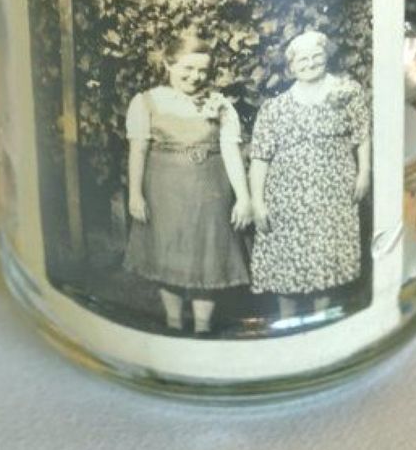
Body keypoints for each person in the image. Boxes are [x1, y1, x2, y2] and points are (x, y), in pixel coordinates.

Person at [124, 29, 252, 334]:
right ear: (169, 64)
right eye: (187, 69)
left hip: (210, 192)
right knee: (169, 253)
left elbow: (231, 153)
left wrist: (244, 198)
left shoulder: (220, 106)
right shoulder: (146, 102)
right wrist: (135, 194)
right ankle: (173, 323)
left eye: (202, 71)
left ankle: (203, 328)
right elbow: (138, 149)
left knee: (206, 256)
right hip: (164, 192)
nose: (195, 77)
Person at [249, 29, 371, 320]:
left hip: (333, 194)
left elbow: (362, 134)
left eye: (316, 56)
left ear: (326, 57)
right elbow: (260, 157)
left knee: (324, 261)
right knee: (285, 266)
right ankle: (286, 323)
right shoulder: (275, 108)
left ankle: (320, 323)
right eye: (302, 59)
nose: (310, 63)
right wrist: (258, 201)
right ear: (291, 67)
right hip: (287, 199)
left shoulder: (347, 91)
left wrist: (364, 171)